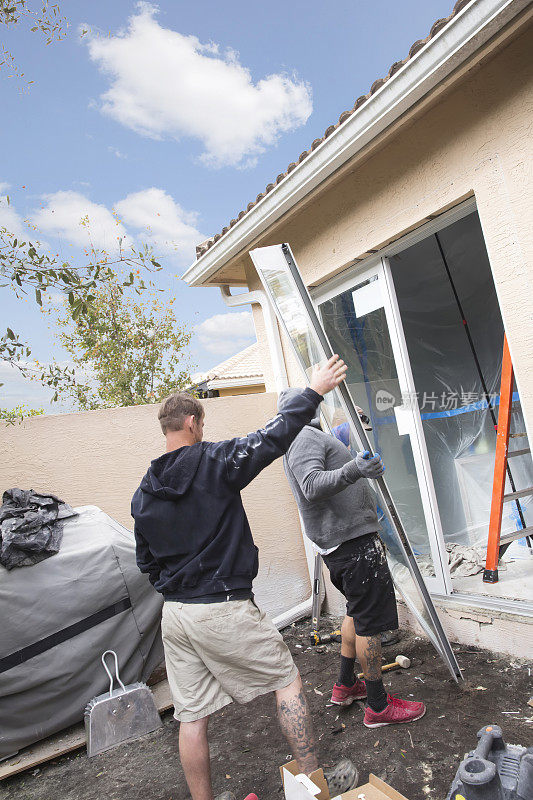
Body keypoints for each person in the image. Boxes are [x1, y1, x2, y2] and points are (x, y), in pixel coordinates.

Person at [131, 355, 358, 800]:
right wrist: (314, 391)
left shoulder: (144, 492)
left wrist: (179, 586)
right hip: (223, 606)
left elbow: (146, 562)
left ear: (166, 428)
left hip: (176, 615)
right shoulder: (214, 460)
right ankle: (314, 786)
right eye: (202, 421)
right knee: (286, 680)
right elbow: (271, 438)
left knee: (191, 717)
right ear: (194, 422)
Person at [279, 389, 426, 729]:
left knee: (356, 615)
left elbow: (328, 467)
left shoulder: (308, 435)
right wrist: (355, 470)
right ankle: (377, 705)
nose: (318, 403)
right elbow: (312, 485)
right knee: (370, 626)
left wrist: (353, 458)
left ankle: (346, 685)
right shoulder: (302, 437)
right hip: (353, 546)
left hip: (348, 542)